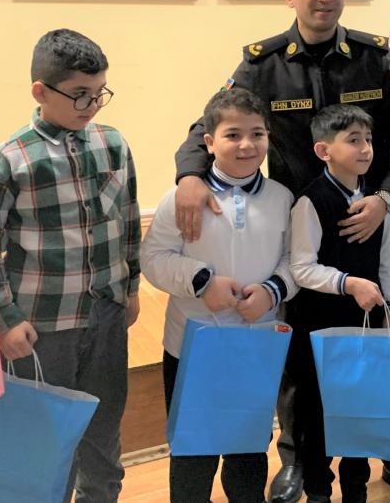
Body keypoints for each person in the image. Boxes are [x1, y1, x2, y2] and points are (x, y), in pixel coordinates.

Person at [174, 0, 390, 503]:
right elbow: (207, 124)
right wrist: (190, 175)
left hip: (368, 222)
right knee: (301, 353)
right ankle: (296, 457)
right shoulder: (262, 64)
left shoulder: (371, 56)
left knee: (382, 339)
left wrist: (388, 197)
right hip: (300, 229)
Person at [0, 29, 140, 503]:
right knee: (44, 444)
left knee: (103, 434)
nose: (92, 105)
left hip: (106, 316)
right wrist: (4, 319)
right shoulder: (8, 162)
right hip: (41, 328)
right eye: (80, 94)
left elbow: (129, 220)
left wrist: (132, 287)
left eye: (99, 93)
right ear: (40, 92)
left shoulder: (113, 144)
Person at [142, 87, 297, 502]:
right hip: (192, 345)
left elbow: (295, 259)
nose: (246, 145)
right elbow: (153, 258)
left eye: (257, 134)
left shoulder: (282, 199)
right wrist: (202, 282)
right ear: (209, 142)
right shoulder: (182, 200)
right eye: (233, 135)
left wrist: (272, 291)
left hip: (256, 343)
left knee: (248, 450)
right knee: (193, 453)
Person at [289, 104, 390, 503]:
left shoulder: (375, 203)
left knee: (360, 407)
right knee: (318, 413)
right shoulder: (310, 202)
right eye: (353, 140)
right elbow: (301, 268)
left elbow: (387, 265)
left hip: (366, 323)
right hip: (319, 327)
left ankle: (356, 489)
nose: (366, 148)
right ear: (324, 151)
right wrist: (348, 283)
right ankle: (319, 490)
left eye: (368, 139)